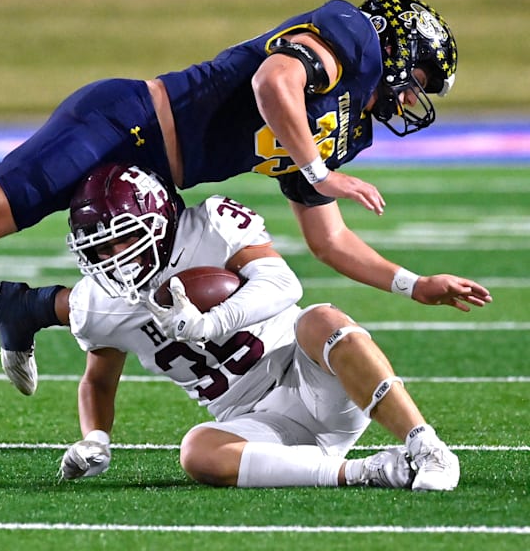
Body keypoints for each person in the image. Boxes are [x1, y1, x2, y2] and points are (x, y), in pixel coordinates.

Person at [0, 0, 490, 390]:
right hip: (124, 123)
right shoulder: (351, 39)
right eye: (420, 78)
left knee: (164, 293)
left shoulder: (343, 128)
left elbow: (327, 239)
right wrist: (321, 171)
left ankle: (26, 309)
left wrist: (413, 283)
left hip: (157, 179)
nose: (413, 98)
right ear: (397, 47)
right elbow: (273, 81)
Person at [49, 162, 459, 491]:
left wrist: (210, 323)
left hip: (308, 376)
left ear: (157, 221)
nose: (113, 257)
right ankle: (366, 471)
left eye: (124, 238)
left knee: (321, 319)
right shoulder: (98, 302)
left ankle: (428, 448)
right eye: (98, 247)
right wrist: (95, 438)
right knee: (196, 451)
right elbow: (98, 380)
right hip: (253, 420)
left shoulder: (210, 227)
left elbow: (283, 283)